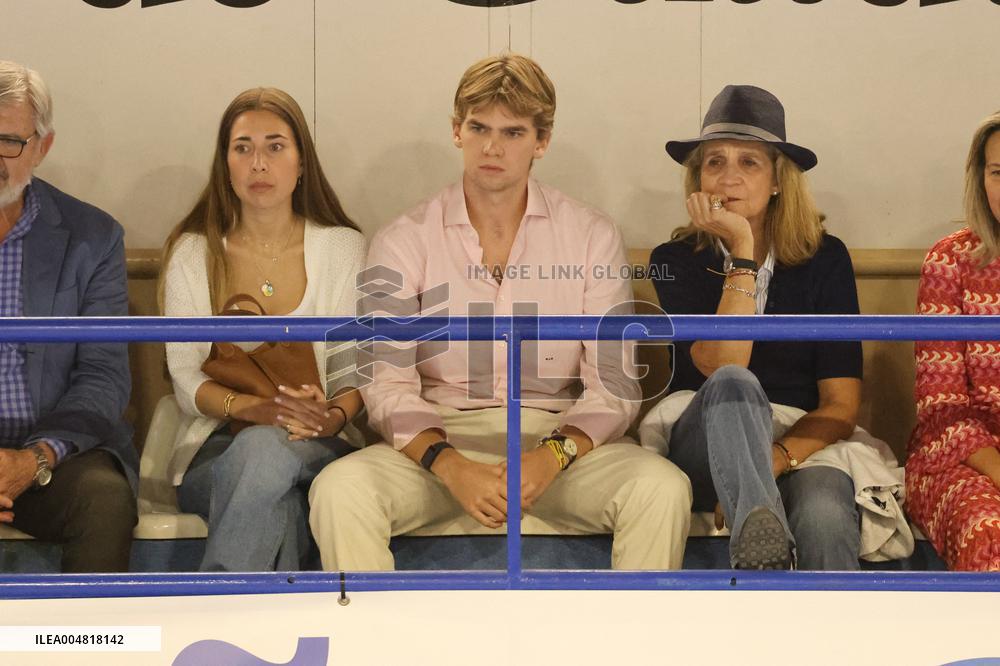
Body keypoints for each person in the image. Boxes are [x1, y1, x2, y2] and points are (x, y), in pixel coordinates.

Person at [308, 54, 691, 571]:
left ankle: (628, 648)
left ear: (542, 141)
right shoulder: (404, 237)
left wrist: (552, 455)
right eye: (479, 127)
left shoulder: (590, 235)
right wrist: (449, 465)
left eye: (512, 132)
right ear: (456, 131)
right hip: (437, 439)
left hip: (559, 438)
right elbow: (386, 384)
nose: (492, 147)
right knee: (339, 491)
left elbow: (613, 385)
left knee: (662, 490)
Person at [644, 85, 870, 570]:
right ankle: (759, 537)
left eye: (749, 162)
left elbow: (841, 402)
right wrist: (743, 253)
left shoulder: (825, 259)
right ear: (697, 180)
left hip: (800, 439)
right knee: (733, 381)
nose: (729, 178)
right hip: (704, 436)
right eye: (714, 162)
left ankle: (841, 640)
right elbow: (724, 362)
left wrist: (778, 456)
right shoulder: (675, 260)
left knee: (826, 514)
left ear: (776, 181)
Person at [160, 87, 365, 571]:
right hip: (215, 447)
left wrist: (330, 416)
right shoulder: (194, 253)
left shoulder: (342, 249)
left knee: (267, 455)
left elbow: (357, 372)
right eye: (243, 148)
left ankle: (218, 612)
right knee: (278, 495)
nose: (258, 164)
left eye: (275, 146)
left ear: (301, 164)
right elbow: (185, 378)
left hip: (321, 438)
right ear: (225, 164)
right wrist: (255, 408)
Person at [0, 60, 137, 572]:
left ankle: (88, 647)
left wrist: (34, 458)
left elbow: (102, 377)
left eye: (9, 141)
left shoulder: (93, 237)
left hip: (53, 458)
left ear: (42, 146)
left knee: (103, 498)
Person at [907, 110, 1000, 571]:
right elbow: (940, 409)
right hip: (959, 458)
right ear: (981, 179)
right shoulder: (950, 261)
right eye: (999, 173)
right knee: (988, 532)